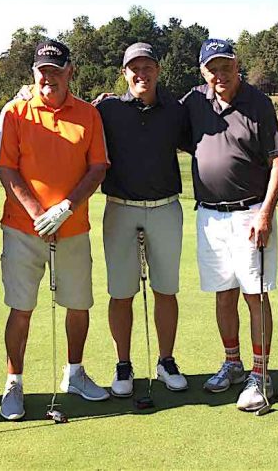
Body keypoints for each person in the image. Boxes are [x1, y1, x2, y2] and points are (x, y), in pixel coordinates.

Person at [0, 40, 110, 421]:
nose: (48, 77)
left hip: (73, 227)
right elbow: (6, 169)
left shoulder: (89, 115)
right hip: (22, 230)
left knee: (78, 304)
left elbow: (97, 169)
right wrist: (37, 212)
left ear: (69, 71)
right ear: (33, 74)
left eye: (56, 70)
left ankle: (74, 373)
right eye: (42, 71)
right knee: (21, 308)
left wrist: (64, 208)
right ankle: (14, 382)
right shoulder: (15, 112)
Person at [181, 39, 278, 412]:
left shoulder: (257, 103)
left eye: (226, 66)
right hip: (209, 216)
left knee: (254, 294)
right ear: (203, 72)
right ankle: (232, 363)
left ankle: (260, 373)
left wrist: (266, 214)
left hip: (250, 214)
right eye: (212, 68)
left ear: (237, 65)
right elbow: (157, 117)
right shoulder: (195, 101)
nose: (220, 74)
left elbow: (277, 162)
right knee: (223, 293)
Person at [96, 43, 188, 397]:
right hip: (120, 208)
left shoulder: (175, 112)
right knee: (121, 292)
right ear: (124, 73)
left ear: (158, 70)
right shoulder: (107, 109)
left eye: (147, 67)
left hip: (165, 208)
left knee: (166, 289)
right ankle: (123, 364)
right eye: (134, 68)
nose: (141, 74)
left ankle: (166, 362)